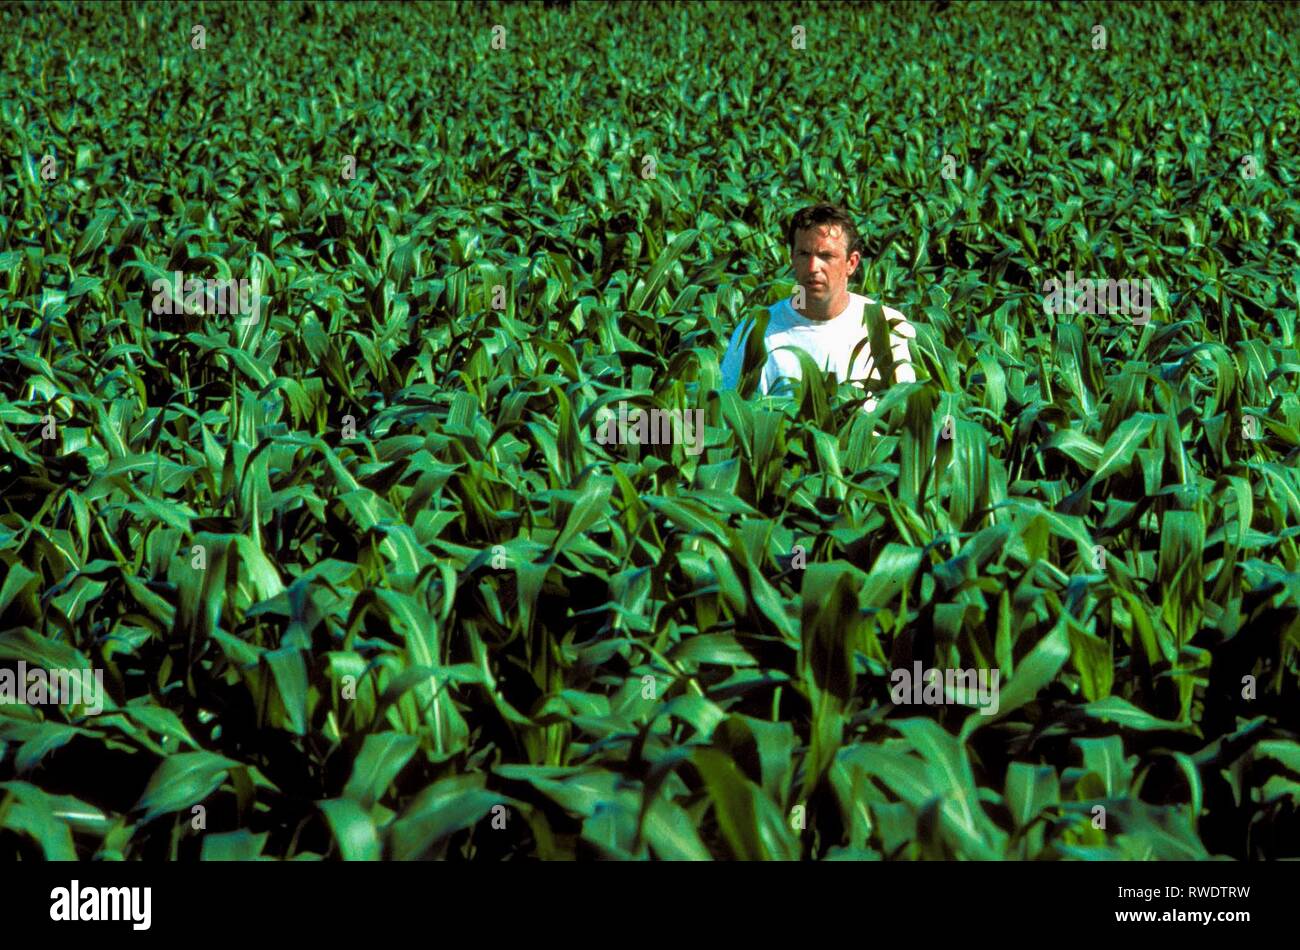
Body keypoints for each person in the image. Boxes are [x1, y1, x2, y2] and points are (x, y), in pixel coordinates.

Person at [719, 203, 916, 410]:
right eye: (804, 254)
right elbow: (726, 411)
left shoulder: (887, 327)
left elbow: (906, 416)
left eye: (826, 256)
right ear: (792, 257)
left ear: (852, 263)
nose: (813, 267)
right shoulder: (756, 331)